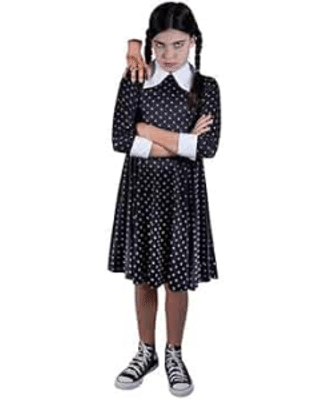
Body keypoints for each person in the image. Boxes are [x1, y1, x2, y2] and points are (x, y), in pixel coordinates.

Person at [108, 2, 221, 396]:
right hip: (141, 192)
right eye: (160, 45)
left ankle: (174, 353)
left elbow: (207, 148)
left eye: (178, 45)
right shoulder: (135, 80)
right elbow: (120, 139)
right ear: (150, 44)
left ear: (193, 42)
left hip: (182, 194)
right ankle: (146, 351)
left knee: (176, 279)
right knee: (143, 277)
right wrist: (181, 141)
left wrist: (146, 130)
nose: (169, 55)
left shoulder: (206, 88)